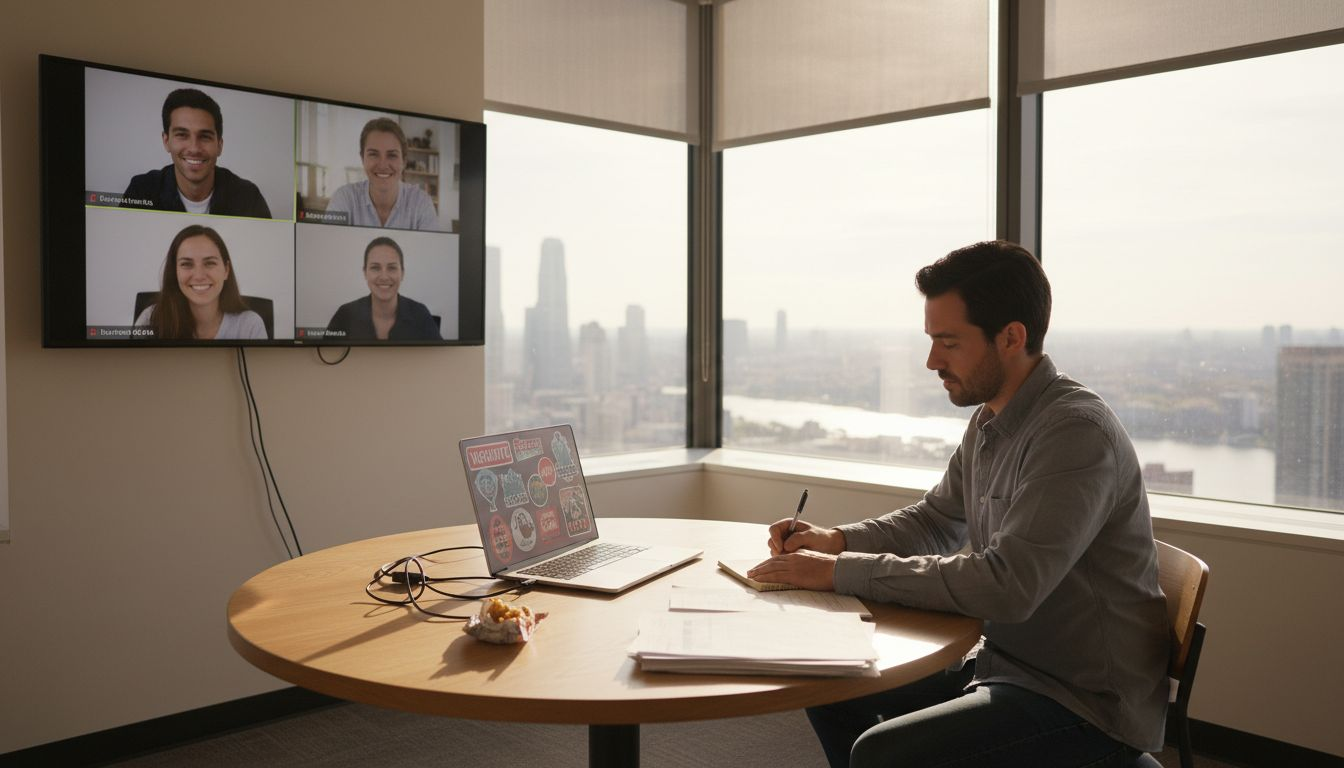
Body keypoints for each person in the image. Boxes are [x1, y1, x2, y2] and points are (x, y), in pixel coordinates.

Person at [746, 241, 1169, 768]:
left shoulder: (1074, 433)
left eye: (948, 342)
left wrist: (838, 571)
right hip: (1001, 663)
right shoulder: (991, 420)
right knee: (826, 683)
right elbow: (937, 520)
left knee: (881, 755)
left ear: (1011, 337)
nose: (931, 361)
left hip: (1083, 702)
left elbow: (1006, 586)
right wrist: (838, 540)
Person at [121, 88, 272, 218]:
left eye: (205, 136)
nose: (194, 148)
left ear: (219, 145)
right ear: (166, 141)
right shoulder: (141, 191)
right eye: (182, 135)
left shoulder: (248, 197)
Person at [135, 225, 268, 340]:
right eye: (186, 264)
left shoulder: (250, 325)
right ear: (174, 272)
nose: (199, 276)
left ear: (226, 270)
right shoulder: (150, 319)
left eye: (210, 263)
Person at [322, 118, 439, 230]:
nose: (383, 165)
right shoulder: (344, 198)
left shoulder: (422, 203)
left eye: (392, 155)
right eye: (373, 154)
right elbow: (329, 246)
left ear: (404, 162)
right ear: (362, 158)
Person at [325, 236, 442, 341]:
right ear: (365, 273)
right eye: (375, 268)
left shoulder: (420, 314)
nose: (384, 277)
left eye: (392, 268)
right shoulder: (345, 314)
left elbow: (438, 360)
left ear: (403, 273)